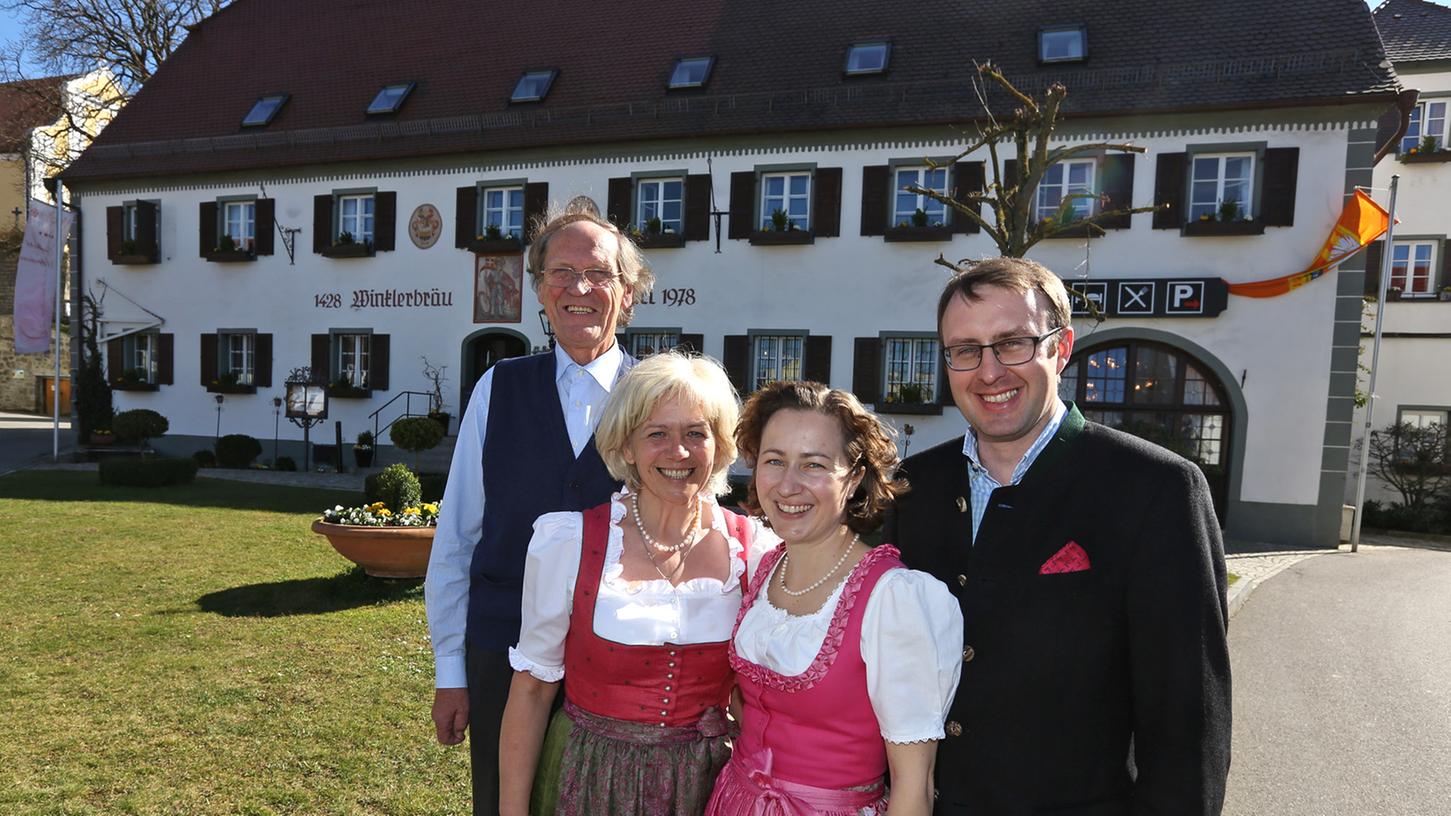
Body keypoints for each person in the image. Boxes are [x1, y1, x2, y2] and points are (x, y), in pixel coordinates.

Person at [884, 257, 1231, 815]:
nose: (989, 371)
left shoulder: (1156, 490)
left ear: (1062, 348)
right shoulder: (911, 488)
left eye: (1013, 343)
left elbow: (1186, 720)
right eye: (965, 350)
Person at [424, 200, 654, 816]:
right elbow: (457, 536)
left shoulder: (657, 395)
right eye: (561, 272)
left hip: (617, 656)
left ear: (627, 294)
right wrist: (452, 669)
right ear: (539, 291)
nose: (579, 288)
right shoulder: (499, 386)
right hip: (501, 648)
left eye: (600, 274)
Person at [499, 351, 772, 816]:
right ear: (626, 446)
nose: (678, 452)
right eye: (656, 434)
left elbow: (761, 696)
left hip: (708, 786)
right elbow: (531, 690)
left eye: (695, 433)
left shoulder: (755, 550)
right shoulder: (570, 542)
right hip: (588, 780)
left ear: (719, 445)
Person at [707, 381, 963, 816]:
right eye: (774, 461)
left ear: (855, 476)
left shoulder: (892, 600)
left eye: (814, 465)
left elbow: (913, 785)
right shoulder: (765, 567)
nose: (788, 486)